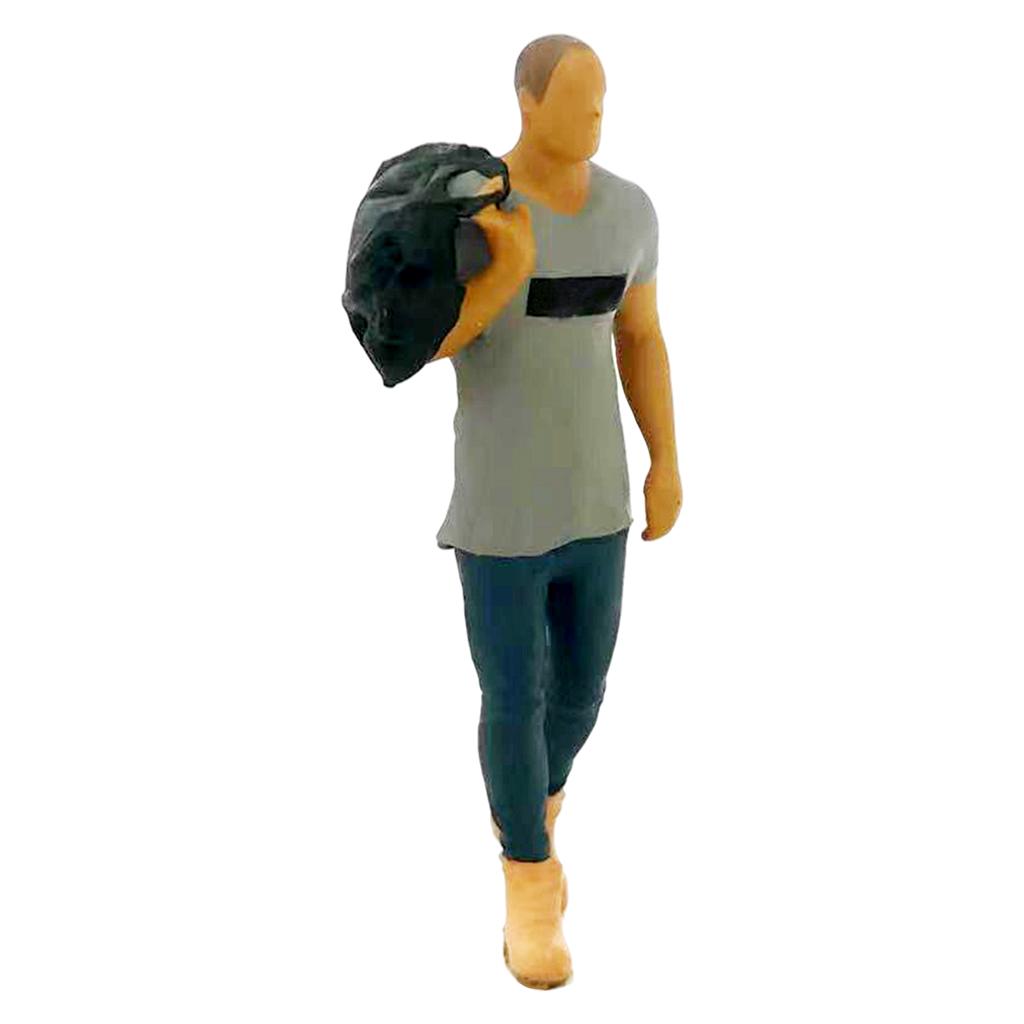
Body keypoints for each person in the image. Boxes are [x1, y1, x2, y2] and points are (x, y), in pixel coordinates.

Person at [429, 34, 682, 988]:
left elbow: (642, 335)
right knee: (513, 697)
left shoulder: (631, 211)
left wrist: (666, 460)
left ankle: (529, 808)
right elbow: (422, 343)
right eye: (576, 99)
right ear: (527, 101)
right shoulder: (472, 204)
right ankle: (529, 886)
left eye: (602, 101)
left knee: (580, 693)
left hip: (596, 503)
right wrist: (502, 272)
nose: (594, 117)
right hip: (499, 513)